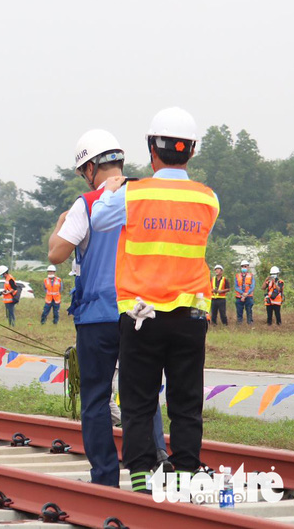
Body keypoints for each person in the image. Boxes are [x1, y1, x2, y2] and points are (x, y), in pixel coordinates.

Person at [91, 107, 219, 493]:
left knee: (138, 401)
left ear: (151, 148)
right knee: (186, 400)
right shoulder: (208, 199)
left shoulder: (133, 193)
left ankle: (143, 477)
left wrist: (109, 190)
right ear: (192, 151)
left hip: (141, 315)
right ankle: (184, 472)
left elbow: (99, 220)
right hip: (191, 316)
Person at [48, 129, 167, 486]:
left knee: (96, 399)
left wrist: (59, 225)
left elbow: (56, 253)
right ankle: (149, 474)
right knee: (142, 395)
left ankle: (105, 479)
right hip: (140, 314)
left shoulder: (85, 204)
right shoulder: (145, 198)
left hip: (97, 317)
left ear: (88, 169)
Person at [234, 260, 254, 325]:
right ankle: (239, 324)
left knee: (249, 310)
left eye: (245, 266)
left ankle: (250, 323)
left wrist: (246, 294)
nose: (244, 268)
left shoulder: (251, 276)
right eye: (242, 266)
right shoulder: (237, 276)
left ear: (248, 267)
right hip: (239, 297)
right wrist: (242, 293)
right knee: (239, 311)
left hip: (249, 296)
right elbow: (236, 287)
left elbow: (252, 286)